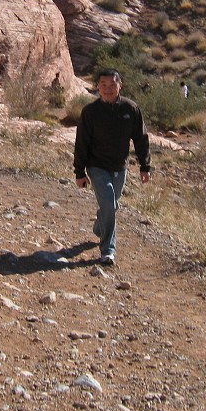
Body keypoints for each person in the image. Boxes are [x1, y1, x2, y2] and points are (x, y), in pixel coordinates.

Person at [73, 69, 151, 266]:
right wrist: (79, 171)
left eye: (112, 85)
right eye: (103, 85)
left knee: (111, 205)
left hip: (119, 167)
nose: (108, 89)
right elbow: (81, 142)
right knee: (108, 204)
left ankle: (100, 227)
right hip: (96, 166)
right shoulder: (90, 112)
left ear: (120, 86)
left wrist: (145, 166)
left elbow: (141, 138)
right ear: (97, 87)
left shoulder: (130, 109)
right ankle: (108, 250)